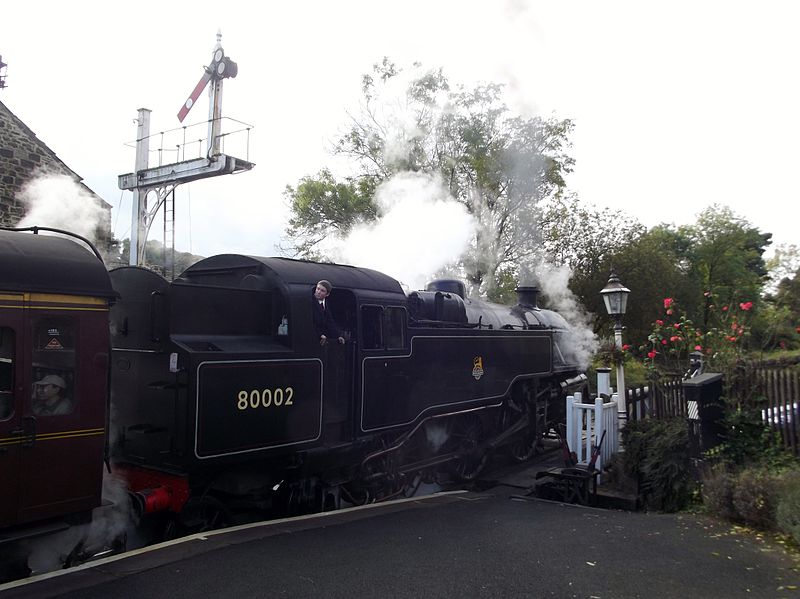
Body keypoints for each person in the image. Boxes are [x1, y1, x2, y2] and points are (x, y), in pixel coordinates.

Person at [312, 280, 345, 346]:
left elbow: (330, 322)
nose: (318, 292)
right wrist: (319, 334)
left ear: (327, 294)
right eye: (318, 289)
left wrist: (338, 335)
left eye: (322, 291)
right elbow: (310, 321)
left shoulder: (326, 304)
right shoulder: (310, 301)